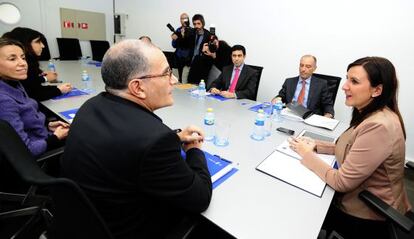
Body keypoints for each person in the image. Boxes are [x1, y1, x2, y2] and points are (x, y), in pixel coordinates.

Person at [61, 39, 212, 239]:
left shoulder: (91, 105)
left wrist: (176, 137)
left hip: (81, 221)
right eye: (167, 73)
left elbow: (125, 146)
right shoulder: (155, 140)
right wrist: (194, 149)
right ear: (138, 87)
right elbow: (200, 197)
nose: (174, 80)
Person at [289, 57, 411, 239]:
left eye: (354, 81)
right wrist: (316, 146)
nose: (344, 86)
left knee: (297, 209)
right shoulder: (373, 113)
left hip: (367, 214)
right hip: (358, 198)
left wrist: (307, 155)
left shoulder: (379, 126)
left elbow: (341, 182)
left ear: (377, 90)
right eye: (347, 79)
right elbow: (350, 147)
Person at [0, 38, 69, 157]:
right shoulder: (4, 101)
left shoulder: (15, 84)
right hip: (43, 155)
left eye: (23, 57)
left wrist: (47, 125)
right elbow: (24, 151)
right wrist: (56, 138)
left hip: (43, 135)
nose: (22, 63)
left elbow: (24, 121)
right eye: (12, 59)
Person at [2, 27, 72, 102]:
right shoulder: (22, 67)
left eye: (23, 58)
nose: (43, 46)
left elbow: (33, 87)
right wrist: (58, 90)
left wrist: (57, 88)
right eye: (38, 42)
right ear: (25, 43)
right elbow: (32, 95)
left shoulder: (30, 62)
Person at [187, 14, 211, 84]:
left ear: (203, 23)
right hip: (191, 63)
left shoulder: (208, 35)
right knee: (189, 85)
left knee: (200, 87)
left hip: (202, 66)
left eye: (198, 23)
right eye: (194, 24)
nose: (196, 26)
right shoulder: (191, 33)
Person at [171, 13, 194, 83]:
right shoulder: (178, 30)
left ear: (188, 19)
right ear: (180, 20)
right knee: (175, 80)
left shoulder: (192, 31)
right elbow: (174, 45)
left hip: (187, 60)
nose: (184, 20)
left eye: (185, 18)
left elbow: (191, 45)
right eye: (182, 18)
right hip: (177, 59)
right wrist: (174, 39)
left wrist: (183, 36)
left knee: (184, 81)